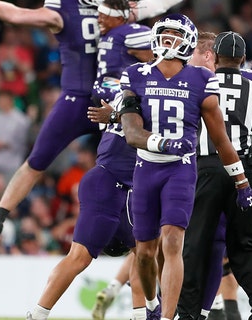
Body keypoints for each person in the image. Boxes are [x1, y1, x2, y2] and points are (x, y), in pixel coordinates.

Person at [0, 0, 183, 250]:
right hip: (78, 99)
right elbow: (19, 15)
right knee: (37, 160)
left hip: (114, 100)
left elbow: (154, 7)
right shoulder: (66, 10)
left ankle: (147, 227)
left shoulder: (114, 9)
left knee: (141, 163)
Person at [113, 16, 252, 320]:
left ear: (188, 42)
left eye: (174, 35)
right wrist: (163, 143)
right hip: (147, 167)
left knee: (173, 240)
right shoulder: (136, 75)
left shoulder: (201, 79)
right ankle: (152, 304)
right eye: (163, 34)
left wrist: (241, 181)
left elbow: (221, 138)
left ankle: (168, 316)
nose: (168, 40)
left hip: (180, 170)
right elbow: (131, 132)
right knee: (144, 252)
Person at [24, 1, 153, 319]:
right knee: (80, 257)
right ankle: (37, 314)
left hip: (137, 182)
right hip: (110, 177)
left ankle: (140, 315)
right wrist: (118, 110)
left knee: (145, 253)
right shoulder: (126, 81)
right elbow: (111, 94)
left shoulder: (163, 85)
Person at [176, 31, 252, 320]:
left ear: (215, 57)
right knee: (247, 244)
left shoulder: (198, 82)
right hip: (244, 169)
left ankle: (187, 313)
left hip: (205, 167)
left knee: (194, 244)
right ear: (243, 60)